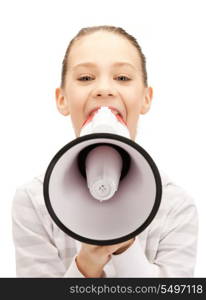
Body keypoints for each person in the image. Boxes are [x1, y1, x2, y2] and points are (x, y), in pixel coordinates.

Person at [12, 25, 198, 277]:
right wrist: (85, 266)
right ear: (62, 99)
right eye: (85, 78)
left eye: (122, 78)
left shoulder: (176, 207)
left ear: (146, 97)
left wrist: (126, 250)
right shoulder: (33, 203)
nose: (104, 89)